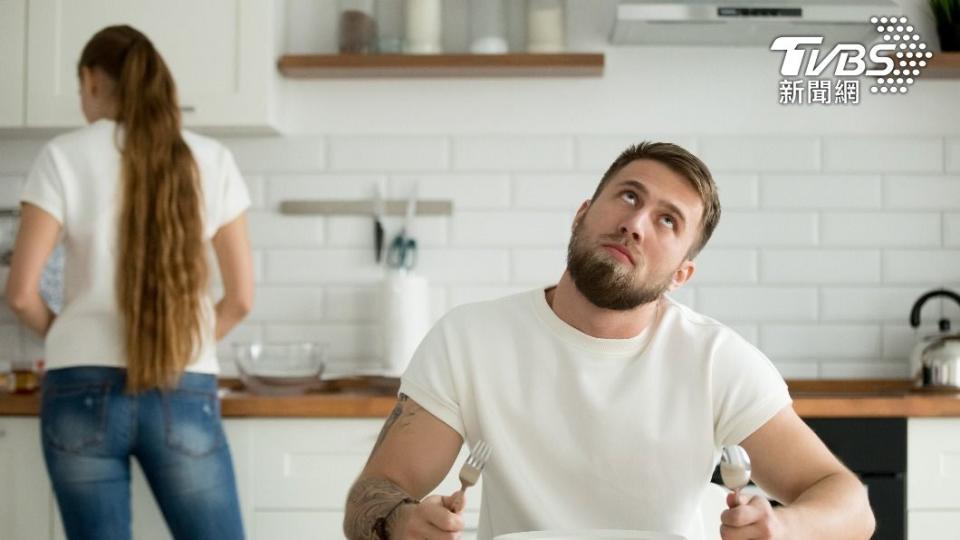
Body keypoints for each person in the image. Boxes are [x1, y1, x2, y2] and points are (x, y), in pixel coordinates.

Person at [344, 142, 876, 540]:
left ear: (681, 275)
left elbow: (852, 507)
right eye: (628, 196)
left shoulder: (716, 359)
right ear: (582, 214)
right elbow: (372, 496)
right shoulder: (468, 339)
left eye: (667, 220)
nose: (636, 223)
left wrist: (784, 529)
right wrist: (401, 520)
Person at [5, 25, 253, 540]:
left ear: (93, 81)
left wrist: (68, 333)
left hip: (79, 386)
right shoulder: (211, 159)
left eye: (80, 89)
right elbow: (242, 298)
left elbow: (21, 294)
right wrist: (187, 341)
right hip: (182, 381)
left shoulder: (63, 155)